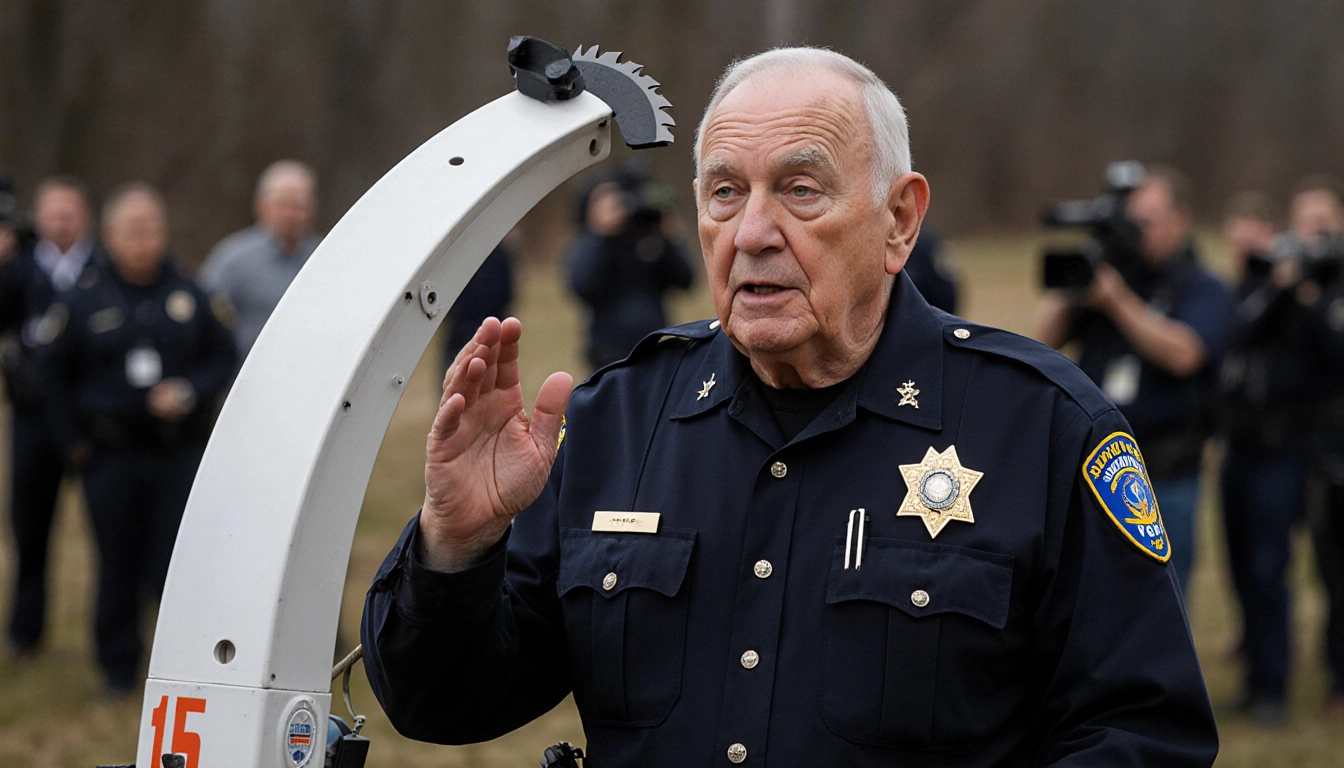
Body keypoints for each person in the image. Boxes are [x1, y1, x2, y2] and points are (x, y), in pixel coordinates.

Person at [362, 48, 1217, 765]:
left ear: (899, 221)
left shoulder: (1044, 429)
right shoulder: (616, 423)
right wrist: (458, 543)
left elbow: (1142, 732)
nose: (753, 232)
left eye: (801, 190)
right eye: (724, 192)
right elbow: (445, 704)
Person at [33, 184, 237, 694]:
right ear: (110, 235)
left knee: (176, 567)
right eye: (134, 231)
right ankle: (117, 671)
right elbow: (49, 376)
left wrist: (191, 390)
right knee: (117, 564)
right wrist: (74, 447)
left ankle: (177, 671)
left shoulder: (190, 292)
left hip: (176, 454)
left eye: (152, 230)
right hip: (110, 455)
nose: (145, 241)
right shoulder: (81, 298)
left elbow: (224, 357)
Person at [1036, 166, 1234, 595]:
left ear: (1180, 219)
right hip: (1094, 469)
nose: (1137, 232)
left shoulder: (1202, 286)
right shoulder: (1110, 276)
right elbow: (1040, 344)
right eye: (1131, 221)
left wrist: (1117, 301)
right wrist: (1074, 288)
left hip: (1165, 472)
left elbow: (1185, 354)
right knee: (1089, 596)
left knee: (1163, 596)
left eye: (1148, 221)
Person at [1215, 191, 1314, 723]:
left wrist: (1287, 287)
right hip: (1239, 449)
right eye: (1238, 231)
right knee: (1240, 569)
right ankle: (1254, 675)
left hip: (1281, 452)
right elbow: (1234, 337)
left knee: (1269, 566)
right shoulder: (1243, 291)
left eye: (1256, 232)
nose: (1245, 242)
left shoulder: (1297, 298)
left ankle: (1274, 687)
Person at [0, 176, 100, 657]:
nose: (62, 221)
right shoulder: (16, 267)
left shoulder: (103, 268)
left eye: (70, 212)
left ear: (85, 217)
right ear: (37, 218)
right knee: (30, 528)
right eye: (53, 213)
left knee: (109, 532)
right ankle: (25, 634)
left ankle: (109, 636)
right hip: (32, 417)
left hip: (90, 419)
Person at [1294, 175, 1344, 722]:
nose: (1317, 236)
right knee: (1326, 574)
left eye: (1325, 224)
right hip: (1311, 453)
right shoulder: (1294, 289)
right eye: (1306, 225)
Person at [567, 168, 695, 370]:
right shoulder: (591, 243)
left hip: (655, 346)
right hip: (607, 351)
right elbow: (582, 285)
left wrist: (669, 237)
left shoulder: (650, 239)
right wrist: (602, 235)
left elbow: (687, 280)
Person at [199, 160, 320, 359]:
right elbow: (205, 322)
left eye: (299, 206)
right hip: (244, 379)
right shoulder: (233, 260)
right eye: (283, 205)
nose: (291, 215)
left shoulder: (323, 260)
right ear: (262, 207)